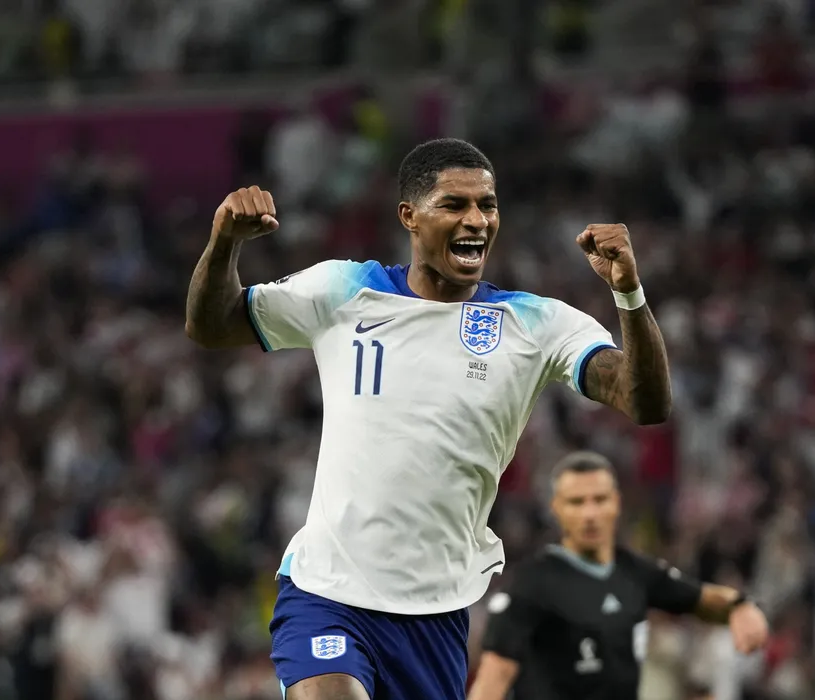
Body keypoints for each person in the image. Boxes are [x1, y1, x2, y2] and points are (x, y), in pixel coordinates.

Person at [185, 138, 673, 700]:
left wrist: (628, 294)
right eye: (454, 205)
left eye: (487, 205)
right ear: (409, 216)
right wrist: (224, 242)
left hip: (436, 614)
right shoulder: (343, 290)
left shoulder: (536, 324)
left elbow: (645, 402)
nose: (476, 220)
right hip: (327, 589)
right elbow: (212, 325)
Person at [469, 452, 770, 700]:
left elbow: (698, 598)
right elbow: (494, 676)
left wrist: (739, 608)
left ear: (615, 504)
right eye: (577, 502)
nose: (590, 514)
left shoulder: (636, 573)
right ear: (557, 509)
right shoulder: (530, 586)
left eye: (599, 500)